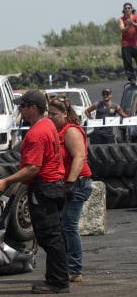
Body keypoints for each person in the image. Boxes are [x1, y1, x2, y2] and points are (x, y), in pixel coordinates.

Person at [0, 89, 69, 294]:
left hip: (44, 187)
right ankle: (58, 278)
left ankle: (58, 281)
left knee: (49, 237)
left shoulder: (36, 133)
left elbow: (33, 167)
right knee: (54, 235)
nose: (20, 110)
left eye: (22, 106)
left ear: (33, 108)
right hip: (53, 185)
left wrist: (6, 181)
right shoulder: (48, 124)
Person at [47, 97, 93, 283]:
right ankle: (67, 266)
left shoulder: (71, 131)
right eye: (48, 114)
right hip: (67, 184)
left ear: (64, 114)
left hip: (78, 183)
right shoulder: (56, 130)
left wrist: (70, 183)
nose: (50, 117)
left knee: (68, 226)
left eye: (54, 114)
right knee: (62, 226)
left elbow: (79, 157)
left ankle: (74, 269)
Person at [118, 2, 137, 84]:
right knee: (127, 62)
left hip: (136, 44)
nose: (127, 9)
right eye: (125, 8)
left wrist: (132, 23)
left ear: (132, 9)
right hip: (126, 45)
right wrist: (128, 25)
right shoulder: (121, 19)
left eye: (129, 8)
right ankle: (132, 79)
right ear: (123, 10)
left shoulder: (136, 17)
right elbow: (122, 29)